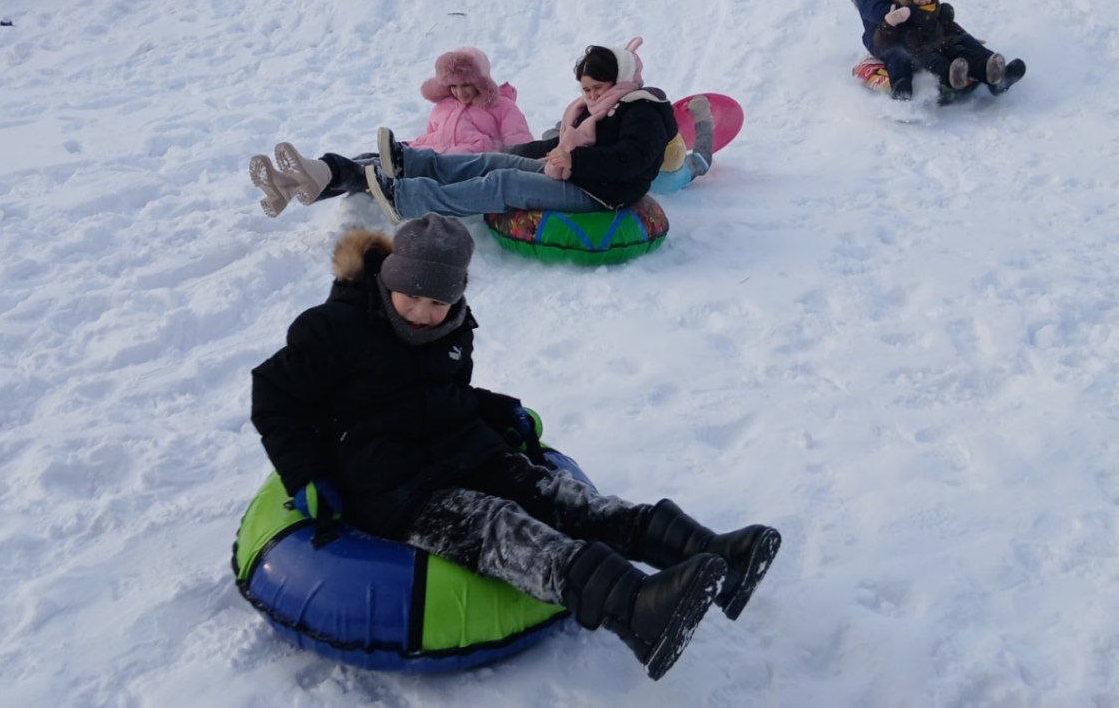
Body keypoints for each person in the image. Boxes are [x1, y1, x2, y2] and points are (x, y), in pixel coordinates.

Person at [250, 214, 782, 680]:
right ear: (389, 279)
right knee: (498, 526)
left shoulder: (454, 328)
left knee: (564, 498)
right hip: (391, 483)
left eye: (438, 301)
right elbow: (274, 398)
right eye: (410, 295)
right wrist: (306, 475)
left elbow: (443, 394)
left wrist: (498, 411)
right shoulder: (332, 329)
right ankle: (636, 610)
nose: (421, 312)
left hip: (464, 449)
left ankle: (713, 553)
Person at [250, 38, 682, 224]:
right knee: (496, 160)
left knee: (502, 181)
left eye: (596, 88)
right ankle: (402, 160)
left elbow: (633, 161)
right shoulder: (597, 109)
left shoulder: (642, 111)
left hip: (601, 193)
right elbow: (559, 144)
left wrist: (572, 158)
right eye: (584, 89)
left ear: (622, 80)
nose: (588, 97)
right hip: (573, 171)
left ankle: (406, 197)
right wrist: (540, 150)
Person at [249, 47, 531, 217]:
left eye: (465, 84)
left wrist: (489, 152)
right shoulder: (444, 106)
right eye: (453, 86)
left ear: (481, 80)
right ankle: (287, 184)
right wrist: (406, 147)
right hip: (423, 155)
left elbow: (521, 152)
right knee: (366, 158)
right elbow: (430, 137)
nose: (459, 92)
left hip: (454, 169)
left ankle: (316, 175)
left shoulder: (502, 108)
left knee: (370, 171)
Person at [873, 0, 1025, 100]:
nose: (923, 0)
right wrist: (889, 23)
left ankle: (994, 78)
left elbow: (952, 28)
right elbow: (883, 42)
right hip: (920, 51)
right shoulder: (904, 12)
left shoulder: (938, 9)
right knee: (937, 62)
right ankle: (953, 79)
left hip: (945, 44)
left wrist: (968, 39)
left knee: (964, 53)